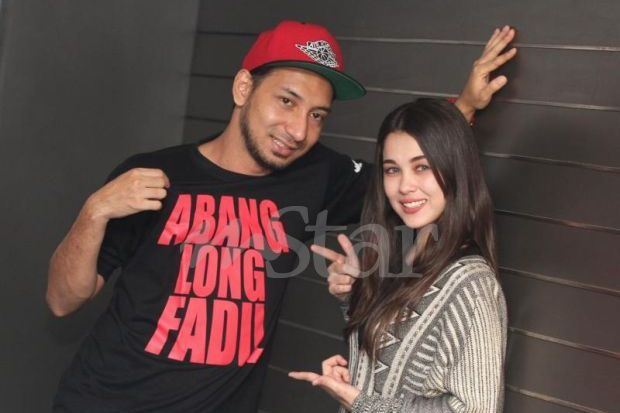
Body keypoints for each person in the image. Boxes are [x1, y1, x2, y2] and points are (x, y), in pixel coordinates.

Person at [46, 20, 515, 413]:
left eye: (317, 115)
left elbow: (407, 177)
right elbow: (63, 300)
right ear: (243, 87)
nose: (298, 130)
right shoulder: (154, 176)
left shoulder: (317, 175)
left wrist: (464, 107)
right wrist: (95, 211)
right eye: (287, 101)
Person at [289, 98, 507, 412]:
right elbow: (396, 368)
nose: (405, 185)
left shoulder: (470, 284)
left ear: (455, 169)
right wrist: (353, 298)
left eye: (422, 167)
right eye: (392, 170)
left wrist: (361, 402)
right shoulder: (404, 257)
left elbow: (476, 409)